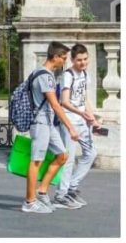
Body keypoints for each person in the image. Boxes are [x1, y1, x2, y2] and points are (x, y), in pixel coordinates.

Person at [22, 41, 80, 213]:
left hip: (48, 123)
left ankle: (41, 192)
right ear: (55, 57)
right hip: (40, 123)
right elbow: (55, 105)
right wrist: (71, 127)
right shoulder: (44, 76)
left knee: (62, 156)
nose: (65, 61)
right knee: (36, 161)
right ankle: (29, 202)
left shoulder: (46, 74)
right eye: (63, 58)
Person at [53, 43, 100, 209]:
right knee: (69, 159)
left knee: (91, 153)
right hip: (70, 121)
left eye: (85, 59)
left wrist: (91, 117)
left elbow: (84, 98)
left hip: (82, 121)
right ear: (72, 60)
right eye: (79, 60)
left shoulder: (85, 73)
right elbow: (64, 102)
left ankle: (71, 188)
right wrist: (81, 114)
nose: (83, 62)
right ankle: (60, 195)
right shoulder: (68, 75)